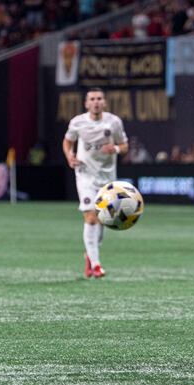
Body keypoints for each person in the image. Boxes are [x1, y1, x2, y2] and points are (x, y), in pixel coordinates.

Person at [62, 88, 129, 278]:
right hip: (85, 175)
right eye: (92, 99)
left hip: (107, 177)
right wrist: (69, 156)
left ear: (104, 102)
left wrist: (115, 148)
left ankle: (90, 256)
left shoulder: (114, 122)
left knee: (103, 219)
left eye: (99, 98)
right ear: (86, 103)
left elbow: (125, 146)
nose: (96, 102)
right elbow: (67, 142)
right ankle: (97, 264)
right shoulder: (78, 122)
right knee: (90, 217)